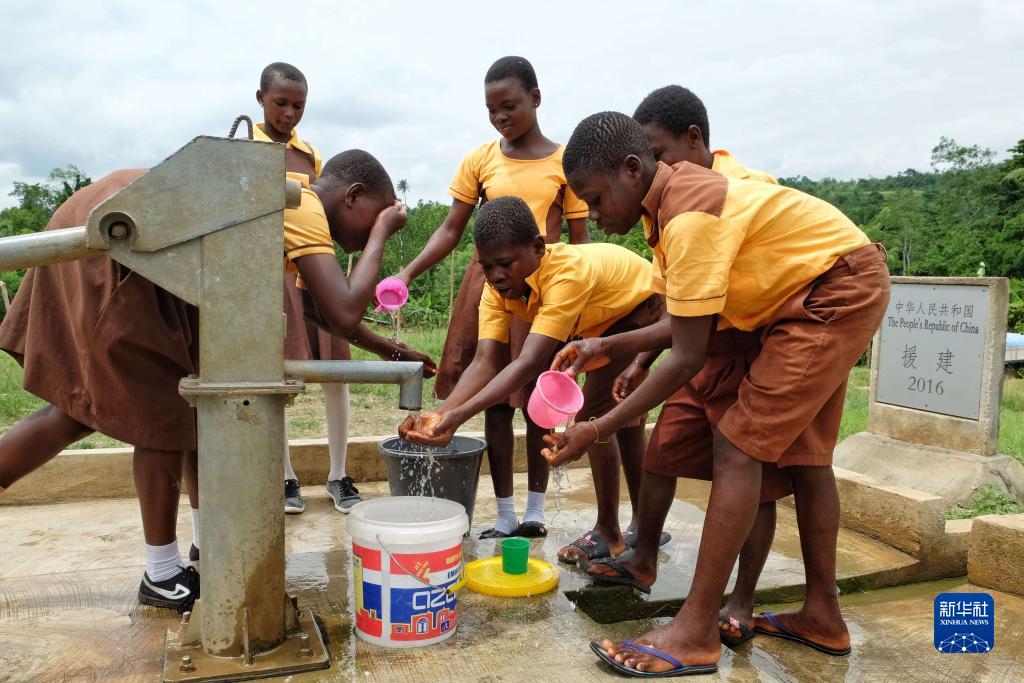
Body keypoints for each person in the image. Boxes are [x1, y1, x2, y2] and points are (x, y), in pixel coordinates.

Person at [546, 111, 889, 675]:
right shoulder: (667, 212)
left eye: (596, 199)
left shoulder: (688, 215)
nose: (594, 215)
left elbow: (688, 355)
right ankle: (823, 617)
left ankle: (696, 630)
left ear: (631, 170)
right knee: (801, 459)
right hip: (811, 290)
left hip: (833, 290)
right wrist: (602, 346)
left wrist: (598, 427)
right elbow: (682, 323)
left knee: (739, 447)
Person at [584, 85, 792, 646]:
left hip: (749, 346)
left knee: (748, 469)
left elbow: (701, 331)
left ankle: (737, 600)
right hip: (701, 343)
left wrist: (600, 425)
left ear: (693, 140)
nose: (657, 168)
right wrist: (633, 357)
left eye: (658, 154)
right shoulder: (661, 209)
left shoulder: (733, 190)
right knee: (663, 451)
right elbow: (673, 304)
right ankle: (643, 557)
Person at [400, 195, 663, 565]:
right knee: (625, 423)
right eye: (487, 266)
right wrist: (442, 413)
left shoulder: (565, 273)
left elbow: (528, 363)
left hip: (640, 308)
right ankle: (645, 527)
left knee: (593, 417)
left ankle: (611, 530)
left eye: (505, 264)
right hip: (598, 322)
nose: (496, 275)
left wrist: (457, 417)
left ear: (538, 247)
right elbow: (486, 361)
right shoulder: (496, 289)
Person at [396, 56, 589, 539]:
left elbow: (581, 242)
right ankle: (504, 513)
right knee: (495, 403)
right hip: (491, 288)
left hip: (546, 289)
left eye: (509, 106)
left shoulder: (565, 163)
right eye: (491, 109)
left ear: (535, 98)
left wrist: (580, 309)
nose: (500, 117)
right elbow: (450, 229)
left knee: (538, 399)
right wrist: (408, 271)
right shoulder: (480, 159)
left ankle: (535, 510)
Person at [0, 170, 202, 612]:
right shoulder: (309, 215)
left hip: (121, 224)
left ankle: (205, 543)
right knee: (159, 415)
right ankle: (162, 573)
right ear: (350, 198)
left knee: (192, 406)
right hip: (119, 233)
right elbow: (333, 309)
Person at [251, 61, 361, 515]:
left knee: (336, 374)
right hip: (266, 279)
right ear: (261, 98)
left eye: (299, 106)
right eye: (281, 103)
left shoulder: (309, 155)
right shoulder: (242, 149)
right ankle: (285, 477)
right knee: (276, 379)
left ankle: (339, 474)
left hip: (310, 275)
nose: (289, 113)